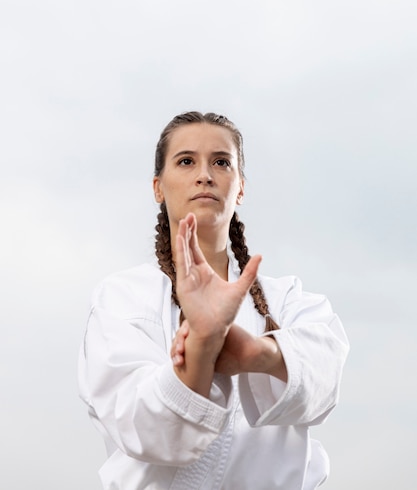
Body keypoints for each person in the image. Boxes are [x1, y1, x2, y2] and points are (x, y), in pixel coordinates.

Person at [78, 111, 349, 490]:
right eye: (186, 161)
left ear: (240, 187)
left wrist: (256, 354)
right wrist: (203, 346)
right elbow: (138, 424)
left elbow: (326, 374)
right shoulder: (123, 297)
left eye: (221, 162)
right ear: (158, 187)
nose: (204, 174)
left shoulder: (285, 298)